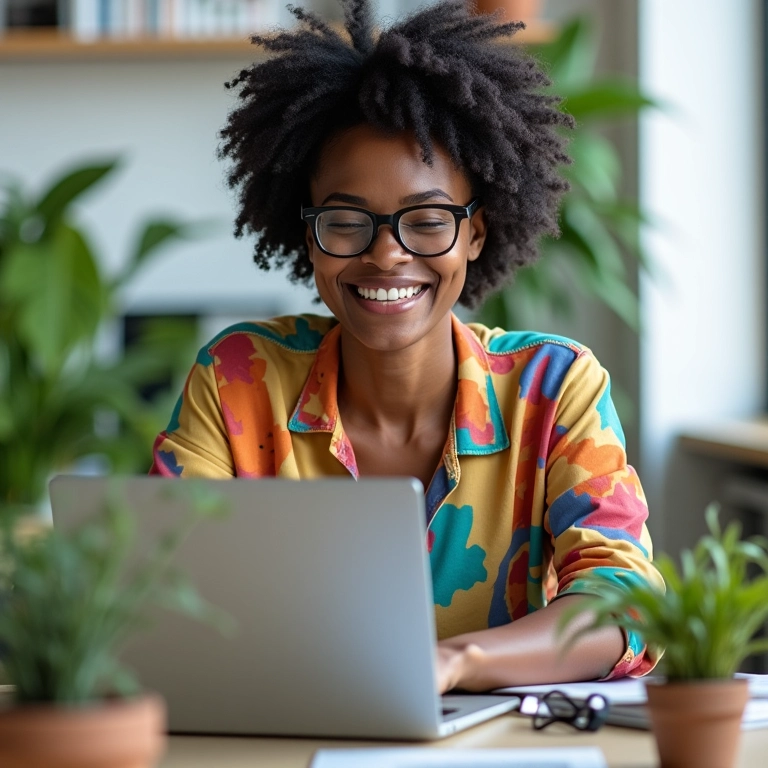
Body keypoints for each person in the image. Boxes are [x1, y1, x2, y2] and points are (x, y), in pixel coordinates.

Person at [151, 0, 663, 694]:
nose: (387, 255)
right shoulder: (240, 380)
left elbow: (624, 604)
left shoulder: (554, 388)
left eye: (427, 221)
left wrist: (456, 663)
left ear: (476, 234)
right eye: (346, 221)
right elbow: (157, 590)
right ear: (309, 235)